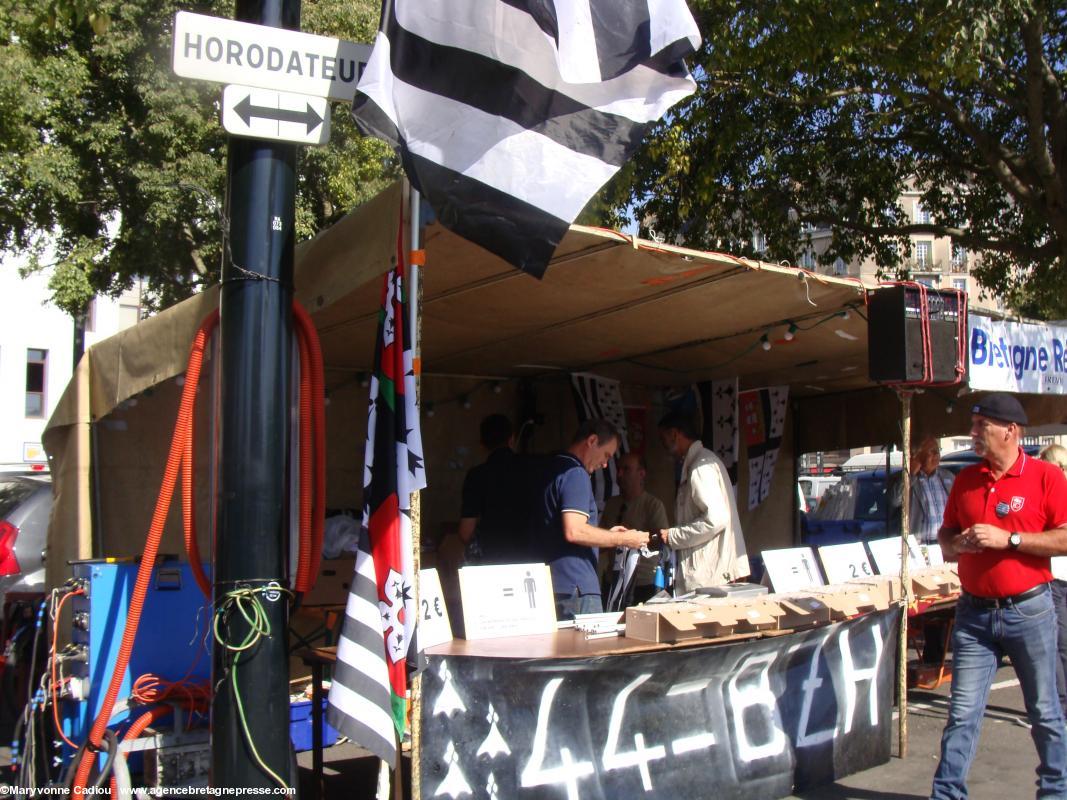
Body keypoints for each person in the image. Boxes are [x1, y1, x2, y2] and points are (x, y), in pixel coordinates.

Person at [930, 394, 1067, 800]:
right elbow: (944, 535)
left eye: (981, 426)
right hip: (973, 614)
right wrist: (957, 544)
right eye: (973, 426)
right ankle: (947, 794)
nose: (972, 434)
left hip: (1029, 609)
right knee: (961, 714)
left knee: (1044, 711)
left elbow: (1064, 537)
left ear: (1010, 430)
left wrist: (1010, 539)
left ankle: (1056, 792)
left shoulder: (1046, 477)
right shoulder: (967, 480)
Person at [529, 419, 650, 620]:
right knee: (588, 651)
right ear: (592, 440)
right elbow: (575, 530)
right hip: (575, 587)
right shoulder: (575, 473)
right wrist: (625, 539)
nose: (604, 464)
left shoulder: (549, 468)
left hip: (547, 584)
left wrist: (606, 536)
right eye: (606, 455)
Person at [656, 410, 749, 594]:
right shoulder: (700, 462)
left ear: (675, 434)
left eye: (663, 438)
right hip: (711, 574)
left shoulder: (701, 466)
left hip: (713, 577)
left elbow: (715, 519)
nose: (663, 445)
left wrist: (673, 536)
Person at [600, 453, 670, 605]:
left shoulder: (652, 506)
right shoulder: (612, 504)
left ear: (641, 473)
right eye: (618, 469)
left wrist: (635, 537)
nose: (619, 474)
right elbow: (600, 545)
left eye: (626, 469)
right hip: (613, 581)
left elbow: (663, 542)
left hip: (642, 583)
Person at [457, 414, 524, 564]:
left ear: (482, 445)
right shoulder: (531, 470)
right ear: (512, 439)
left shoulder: (477, 476)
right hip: (530, 561)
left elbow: (466, 532)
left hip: (490, 562)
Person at [1040, 443, 1067, 719]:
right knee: (1059, 643)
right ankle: (1061, 704)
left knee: (1060, 644)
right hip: (1054, 576)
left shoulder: (1055, 493)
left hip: (1057, 575)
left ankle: (1062, 706)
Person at [890, 435, 955, 544]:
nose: (937, 455)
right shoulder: (905, 478)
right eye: (932, 451)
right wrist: (910, 475)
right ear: (918, 455)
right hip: (920, 544)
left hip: (946, 543)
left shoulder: (948, 477)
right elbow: (894, 500)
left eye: (938, 451)